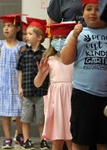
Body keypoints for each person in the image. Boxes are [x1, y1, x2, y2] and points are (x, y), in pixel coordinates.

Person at [61, 0, 107, 150]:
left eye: (98, 9)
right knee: (81, 139)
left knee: (104, 139)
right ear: (83, 13)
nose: (93, 13)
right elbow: (66, 60)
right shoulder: (77, 33)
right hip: (83, 94)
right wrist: (75, 36)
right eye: (89, 9)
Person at [34, 22, 76, 150]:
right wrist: (41, 73)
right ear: (51, 40)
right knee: (57, 139)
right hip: (56, 101)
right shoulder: (49, 59)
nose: (59, 41)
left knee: (71, 138)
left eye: (64, 37)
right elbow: (37, 83)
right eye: (56, 38)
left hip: (71, 98)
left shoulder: (76, 58)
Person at [0, 14, 26, 149]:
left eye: (9, 25)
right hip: (3, 84)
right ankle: (7, 138)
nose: (6, 28)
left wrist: (21, 85)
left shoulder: (21, 46)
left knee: (19, 112)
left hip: (17, 83)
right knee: (5, 113)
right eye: (4, 26)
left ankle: (20, 134)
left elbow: (23, 67)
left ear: (17, 28)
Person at [16, 17, 50, 150]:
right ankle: (27, 140)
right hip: (27, 92)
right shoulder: (24, 54)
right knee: (26, 118)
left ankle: (43, 140)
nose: (27, 36)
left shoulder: (45, 54)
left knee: (41, 119)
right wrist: (20, 87)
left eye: (30, 34)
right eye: (26, 34)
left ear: (39, 37)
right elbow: (20, 71)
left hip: (42, 92)